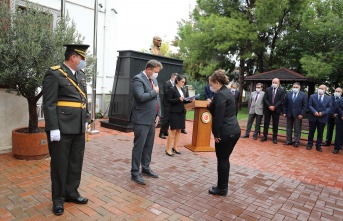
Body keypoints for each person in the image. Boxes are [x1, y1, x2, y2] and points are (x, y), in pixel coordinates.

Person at [42, 44, 90, 216]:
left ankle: (72, 192)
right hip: (61, 129)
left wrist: (86, 120)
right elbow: (49, 104)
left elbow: (84, 99)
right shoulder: (54, 73)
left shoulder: (81, 76)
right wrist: (53, 128)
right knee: (59, 164)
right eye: (82, 58)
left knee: (76, 162)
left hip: (77, 127)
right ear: (73, 57)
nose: (84, 61)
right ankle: (58, 199)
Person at [207, 70, 241, 196]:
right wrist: (211, 106)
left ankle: (221, 188)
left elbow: (219, 117)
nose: (211, 87)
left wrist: (216, 134)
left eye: (212, 84)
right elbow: (223, 111)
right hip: (233, 130)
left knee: (222, 160)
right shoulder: (227, 93)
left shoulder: (221, 94)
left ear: (217, 82)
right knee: (224, 159)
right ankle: (222, 186)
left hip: (226, 132)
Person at [130, 59, 162, 185]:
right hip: (141, 119)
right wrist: (155, 91)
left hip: (152, 118)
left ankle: (146, 168)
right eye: (155, 72)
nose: (156, 75)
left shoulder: (153, 79)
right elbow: (140, 97)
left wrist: (158, 114)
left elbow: (157, 98)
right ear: (148, 69)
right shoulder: (138, 79)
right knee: (139, 146)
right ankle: (135, 172)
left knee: (149, 145)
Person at [165, 75, 193, 156]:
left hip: (181, 112)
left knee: (179, 130)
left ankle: (175, 147)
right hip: (174, 112)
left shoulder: (183, 90)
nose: (183, 83)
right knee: (173, 130)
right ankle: (168, 149)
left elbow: (183, 101)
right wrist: (178, 99)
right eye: (182, 82)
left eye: (184, 82)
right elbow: (168, 100)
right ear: (177, 80)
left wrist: (189, 100)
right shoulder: (172, 89)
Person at [282, 82, 308, 148]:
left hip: (298, 115)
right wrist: (284, 112)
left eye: (296, 87)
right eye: (294, 87)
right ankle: (289, 140)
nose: (295, 88)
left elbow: (305, 106)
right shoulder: (288, 94)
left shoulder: (303, 95)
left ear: (299, 88)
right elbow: (285, 104)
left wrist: (302, 114)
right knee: (288, 127)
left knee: (297, 128)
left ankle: (296, 141)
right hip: (289, 114)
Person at [307, 85, 332, 152]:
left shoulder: (328, 98)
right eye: (319, 88)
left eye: (322, 88)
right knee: (311, 131)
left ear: (325, 90)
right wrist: (314, 111)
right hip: (313, 117)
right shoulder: (312, 96)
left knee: (320, 132)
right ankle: (309, 144)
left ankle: (318, 145)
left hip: (322, 118)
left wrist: (323, 113)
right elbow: (309, 105)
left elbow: (329, 108)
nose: (320, 89)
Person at [261, 78, 285, 144]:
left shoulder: (281, 91)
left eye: (275, 83)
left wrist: (274, 106)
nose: (274, 84)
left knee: (275, 124)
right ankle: (264, 136)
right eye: (273, 82)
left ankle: (274, 138)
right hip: (268, 109)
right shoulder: (268, 89)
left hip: (276, 109)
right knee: (266, 123)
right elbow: (265, 99)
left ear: (278, 83)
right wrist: (269, 106)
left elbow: (281, 100)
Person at [159, 73, 178, 139]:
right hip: (167, 103)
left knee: (170, 119)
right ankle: (161, 132)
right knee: (165, 118)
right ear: (172, 77)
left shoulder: (176, 85)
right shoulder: (166, 83)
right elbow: (166, 93)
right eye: (175, 78)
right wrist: (173, 88)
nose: (176, 80)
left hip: (173, 104)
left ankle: (165, 131)